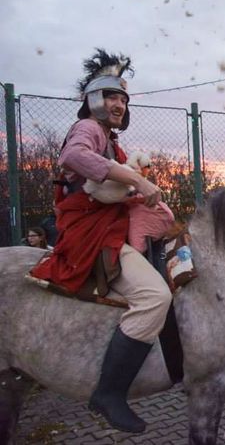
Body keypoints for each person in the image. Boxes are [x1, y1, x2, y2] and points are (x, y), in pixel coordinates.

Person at [29, 50, 172, 432]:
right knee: (156, 297)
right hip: (90, 234)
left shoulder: (113, 142)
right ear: (94, 100)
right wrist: (137, 181)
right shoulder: (88, 130)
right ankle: (109, 393)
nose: (119, 105)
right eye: (112, 97)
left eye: (124, 99)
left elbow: (114, 187)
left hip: (109, 225)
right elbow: (74, 156)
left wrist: (144, 195)